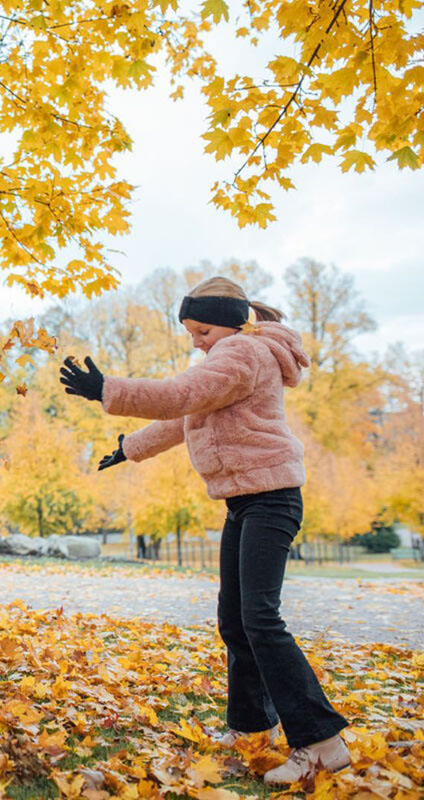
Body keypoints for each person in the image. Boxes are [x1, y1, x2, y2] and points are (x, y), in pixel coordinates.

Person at [59, 276, 350, 785]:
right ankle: (251, 727)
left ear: (231, 323)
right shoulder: (231, 356)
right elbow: (186, 414)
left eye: (201, 329)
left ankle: (321, 741)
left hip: (270, 498)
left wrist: (108, 389)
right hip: (245, 501)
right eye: (191, 331)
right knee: (235, 620)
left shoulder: (242, 352)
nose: (196, 340)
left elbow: (179, 395)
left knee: (260, 618)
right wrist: (129, 447)